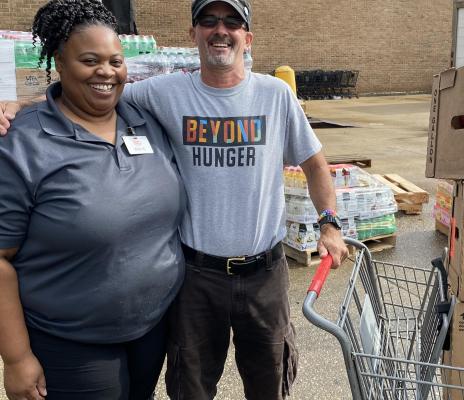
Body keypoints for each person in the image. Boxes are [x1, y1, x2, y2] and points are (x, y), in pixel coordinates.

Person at [0, 0, 349, 398]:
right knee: (191, 385)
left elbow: (317, 166)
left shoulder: (275, 95)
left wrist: (329, 222)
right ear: (192, 34)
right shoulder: (161, 93)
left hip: (265, 275)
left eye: (232, 22)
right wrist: (20, 107)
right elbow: (88, 92)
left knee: (270, 378)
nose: (221, 30)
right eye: (209, 21)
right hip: (197, 277)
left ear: (247, 37)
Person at [0, 1, 186, 399]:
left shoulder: (145, 121)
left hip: (151, 329)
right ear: (59, 62)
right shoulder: (22, 144)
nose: (106, 72)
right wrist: (16, 358)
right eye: (89, 60)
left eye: (115, 61)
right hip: (70, 343)